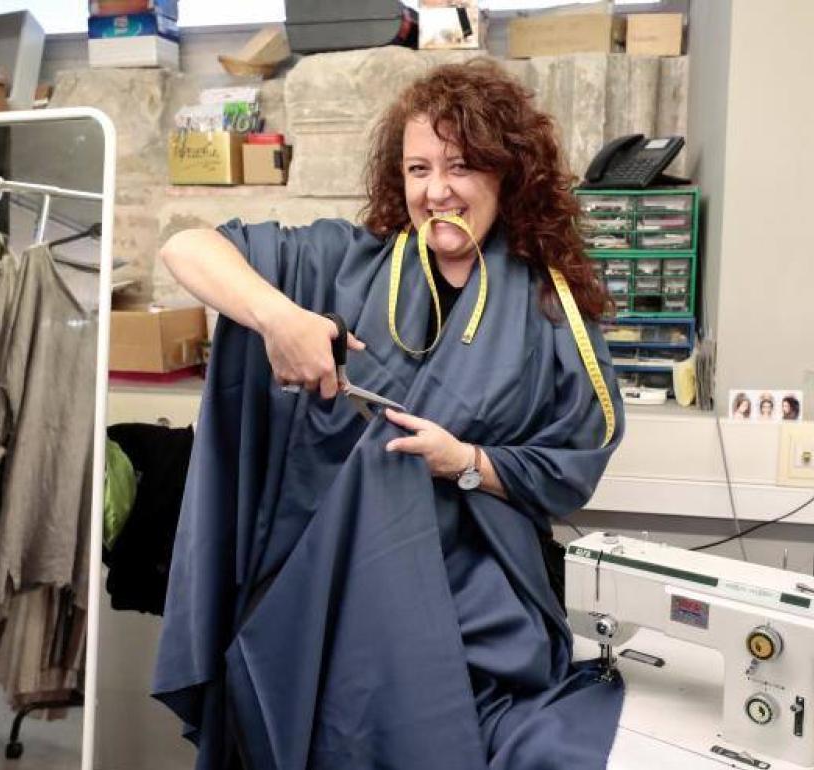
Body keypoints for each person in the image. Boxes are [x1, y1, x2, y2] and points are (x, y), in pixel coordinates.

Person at [153, 60, 625, 770]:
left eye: (462, 165)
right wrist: (278, 317)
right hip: (332, 594)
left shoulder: (551, 312)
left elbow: (568, 472)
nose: (437, 191)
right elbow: (185, 246)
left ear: (507, 173)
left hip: (479, 612)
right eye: (417, 168)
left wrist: (463, 462)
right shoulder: (345, 265)